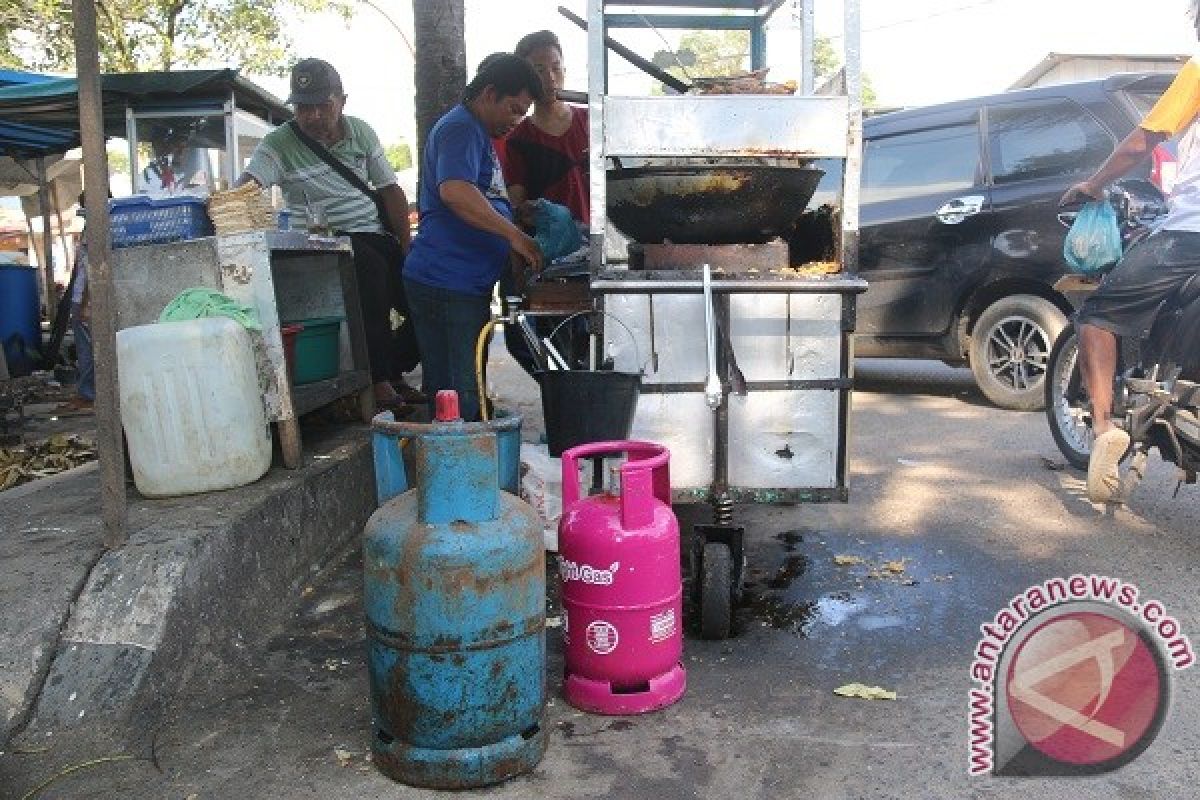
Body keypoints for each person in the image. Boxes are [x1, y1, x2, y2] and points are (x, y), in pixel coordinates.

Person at [1060, 1, 1200, 503]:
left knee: (1098, 315)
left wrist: (1096, 183)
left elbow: (1146, 139)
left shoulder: (1199, 66)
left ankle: (1102, 431)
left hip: (1191, 233)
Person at [239, 58, 422, 411]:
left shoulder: (361, 132)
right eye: (304, 108)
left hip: (375, 233)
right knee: (367, 273)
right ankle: (379, 382)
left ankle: (394, 371)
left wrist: (406, 245)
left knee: (422, 291)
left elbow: (389, 190)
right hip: (325, 242)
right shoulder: (279, 143)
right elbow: (249, 184)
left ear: (342, 101)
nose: (314, 116)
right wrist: (227, 202)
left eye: (323, 105)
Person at [403, 54, 544, 421]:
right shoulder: (460, 128)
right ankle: (461, 473)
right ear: (490, 93)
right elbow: (455, 191)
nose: (515, 122)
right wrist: (514, 235)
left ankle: (463, 465)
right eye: (513, 109)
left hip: (463, 284)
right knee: (459, 396)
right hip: (446, 282)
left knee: (465, 390)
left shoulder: (476, 133)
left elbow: (484, 196)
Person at [499, 30, 591, 376]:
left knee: (590, 343)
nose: (550, 78)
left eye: (555, 67)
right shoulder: (521, 137)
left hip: (594, 253)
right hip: (551, 260)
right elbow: (516, 205)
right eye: (539, 70)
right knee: (544, 343)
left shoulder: (590, 120)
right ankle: (563, 403)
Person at [56, 193, 95, 415]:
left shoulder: (95, 230)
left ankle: (88, 394)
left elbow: (91, 268)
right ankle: (86, 392)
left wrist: (84, 303)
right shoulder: (91, 229)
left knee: (87, 349)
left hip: (85, 298)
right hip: (81, 295)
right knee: (85, 349)